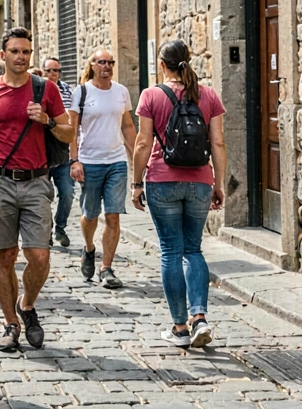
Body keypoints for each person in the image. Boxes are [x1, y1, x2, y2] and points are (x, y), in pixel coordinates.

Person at [0, 28, 72, 352]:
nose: (21, 57)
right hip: (0, 183)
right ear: (3, 55)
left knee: (39, 255)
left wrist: (47, 121)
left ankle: (26, 304)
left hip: (37, 181)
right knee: (5, 256)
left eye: (26, 51)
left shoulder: (45, 90)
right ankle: (10, 323)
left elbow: (67, 133)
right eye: (15, 51)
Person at [133, 40, 227, 349]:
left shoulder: (151, 95)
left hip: (162, 180)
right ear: (188, 60)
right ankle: (200, 317)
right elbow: (218, 143)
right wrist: (219, 182)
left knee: (171, 252)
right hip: (200, 180)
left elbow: (143, 143)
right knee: (193, 249)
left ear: (162, 65)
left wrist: (136, 183)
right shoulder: (208, 95)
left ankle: (180, 327)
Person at [69, 49, 137, 289]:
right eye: (102, 62)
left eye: (110, 62)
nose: (106, 66)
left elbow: (127, 126)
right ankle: (89, 248)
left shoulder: (121, 92)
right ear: (93, 65)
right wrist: (74, 160)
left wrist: (137, 156)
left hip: (116, 161)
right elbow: (73, 129)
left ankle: (106, 267)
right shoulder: (83, 91)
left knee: (113, 215)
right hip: (89, 161)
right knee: (90, 215)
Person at [42, 57, 75, 247]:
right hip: (42, 153)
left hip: (63, 152)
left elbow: (72, 122)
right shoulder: (38, 89)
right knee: (43, 195)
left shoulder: (68, 91)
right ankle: (46, 230)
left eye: (56, 70)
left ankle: (60, 227)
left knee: (68, 193)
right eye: (49, 70)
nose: (53, 74)